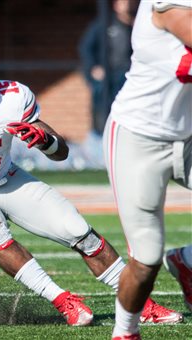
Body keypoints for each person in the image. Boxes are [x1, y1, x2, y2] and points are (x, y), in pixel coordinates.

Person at [0, 33, 181, 327]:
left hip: (7, 180)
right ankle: (62, 300)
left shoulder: (12, 99)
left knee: (80, 231)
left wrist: (46, 142)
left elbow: (60, 153)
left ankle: (142, 306)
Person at [103, 1, 192, 338]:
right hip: (139, 138)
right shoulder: (169, 3)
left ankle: (187, 261)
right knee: (146, 258)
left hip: (188, 134)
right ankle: (125, 331)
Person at [79, 0, 138, 138]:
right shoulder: (104, 24)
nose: (128, 5)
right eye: (124, 2)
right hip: (109, 77)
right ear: (116, 6)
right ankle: (99, 135)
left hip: (130, 76)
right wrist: (93, 68)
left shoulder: (137, 25)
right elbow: (86, 47)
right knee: (103, 107)